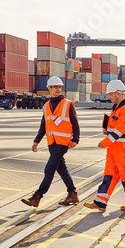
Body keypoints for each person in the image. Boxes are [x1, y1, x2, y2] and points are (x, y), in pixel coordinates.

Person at [83, 79, 125, 211]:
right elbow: (114, 128)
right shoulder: (116, 108)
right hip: (114, 149)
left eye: (111, 94)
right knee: (109, 174)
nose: (109, 97)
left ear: (118, 93)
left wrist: (105, 142)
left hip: (124, 149)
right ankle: (100, 202)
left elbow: (119, 130)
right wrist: (106, 130)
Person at [21, 76, 80, 208]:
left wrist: (75, 139)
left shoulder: (68, 104)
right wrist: (36, 141)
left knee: (49, 169)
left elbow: (75, 123)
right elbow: (44, 125)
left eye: (59, 87)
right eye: (55, 87)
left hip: (62, 142)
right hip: (52, 142)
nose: (58, 89)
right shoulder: (46, 106)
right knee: (62, 169)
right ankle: (73, 194)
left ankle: (37, 196)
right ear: (49, 89)